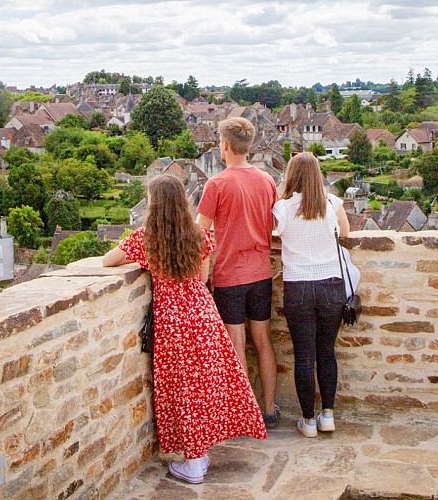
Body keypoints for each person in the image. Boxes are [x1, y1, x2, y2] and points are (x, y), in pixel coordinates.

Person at [103, 175, 267, 484]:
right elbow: (203, 277)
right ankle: (199, 452)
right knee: (205, 384)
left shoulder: (146, 238)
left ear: (154, 205)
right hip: (203, 314)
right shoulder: (199, 235)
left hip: (173, 321)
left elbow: (107, 261)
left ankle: (192, 461)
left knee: (182, 389)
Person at [196, 117, 280, 428]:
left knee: (237, 344)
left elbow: (200, 232)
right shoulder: (266, 180)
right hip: (261, 272)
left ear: (226, 145)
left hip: (231, 274)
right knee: (264, 341)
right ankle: (269, 409)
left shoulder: (216, 184)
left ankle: (245, 416)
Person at [272, 152, 350, 438]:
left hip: (299, 285)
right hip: (331, 283)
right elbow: (345, 232)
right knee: (326, 352)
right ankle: (327, 413)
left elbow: (274, 233)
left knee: (304, 356)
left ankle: (307, 420)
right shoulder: (331, 203)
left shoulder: (282, 208)